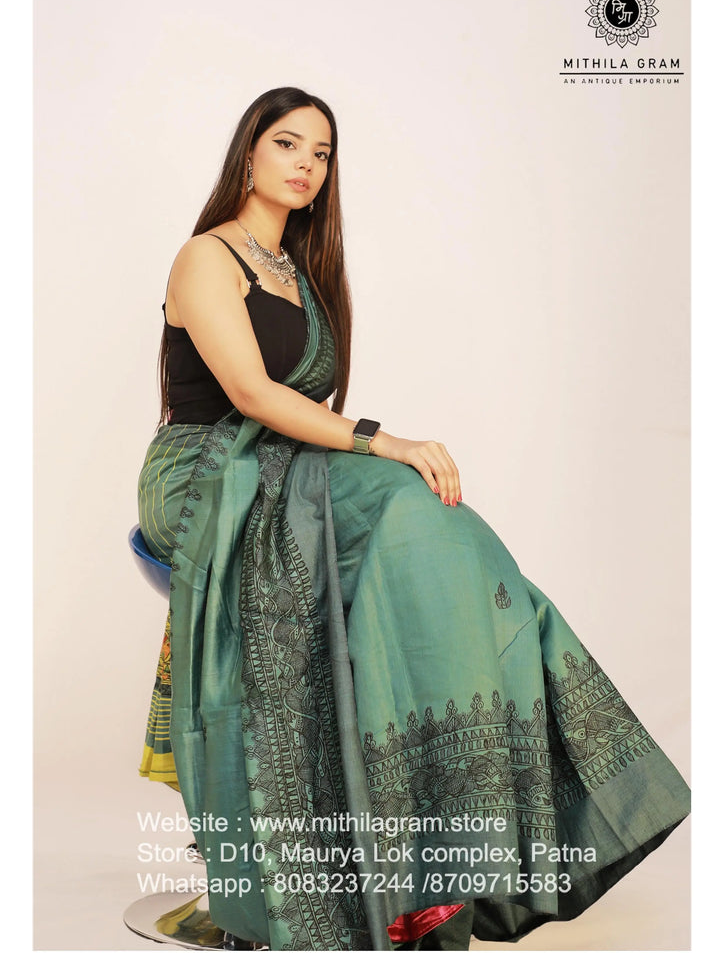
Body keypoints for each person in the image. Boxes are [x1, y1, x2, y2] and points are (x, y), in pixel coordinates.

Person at [137, 86, 690, 951]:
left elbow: (296, 416)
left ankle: (427, 863)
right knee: (405, 501)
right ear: (248, 153)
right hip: (206, 476)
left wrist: (374, 454)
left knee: (439, 542)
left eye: (322, 153)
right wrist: (382, 440)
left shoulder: (301, 274)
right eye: (287, 144)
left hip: (286, 470)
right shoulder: (205, 257)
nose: (306, 164)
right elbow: (251, 394)